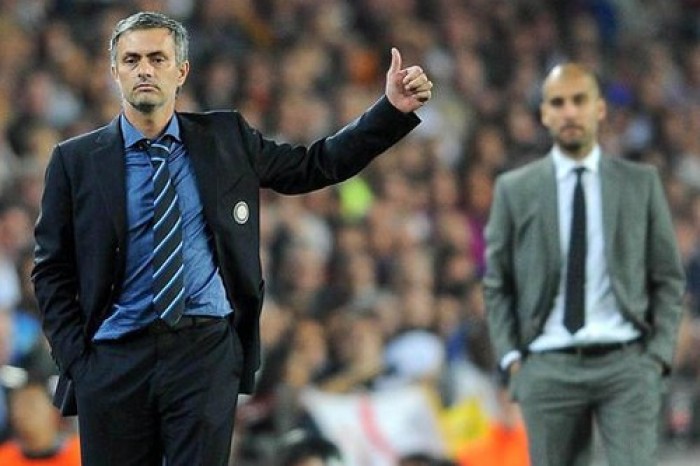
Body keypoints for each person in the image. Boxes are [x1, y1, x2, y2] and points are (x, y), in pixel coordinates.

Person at [31, 10, 432, 466]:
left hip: (203, 351)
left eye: (158, 58)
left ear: (181, 71)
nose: (144, 69)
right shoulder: (75, 160)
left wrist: (389, 111)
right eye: (132, 60)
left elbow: (314, 165)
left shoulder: (225, 138)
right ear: (115, 72)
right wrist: (79, 362)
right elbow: (51, 269)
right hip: (114, 359)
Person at [483, 62, 685, 466]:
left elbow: (666, 277)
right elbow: (497, 283)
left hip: (626, 362)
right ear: (544, 114)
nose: (570, 112)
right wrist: (512, 359)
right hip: (547, 362)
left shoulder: (639, 183)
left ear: (600, 108)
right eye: (558, 103)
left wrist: (657, 355)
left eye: (579, 100)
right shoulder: (514, 190)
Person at [0, 379, 81, 466]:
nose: (21, 413)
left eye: (31, 405)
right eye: (17, 407)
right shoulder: (4, 457)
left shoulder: (80, 454)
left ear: (54, 411)